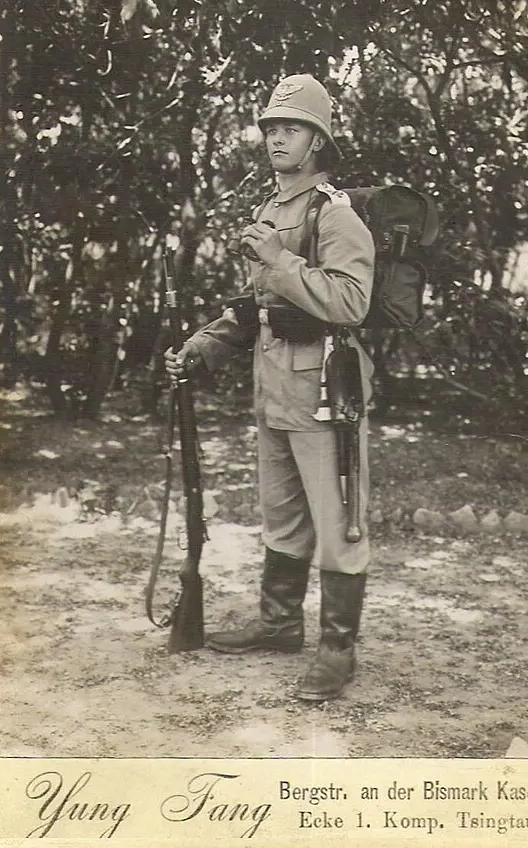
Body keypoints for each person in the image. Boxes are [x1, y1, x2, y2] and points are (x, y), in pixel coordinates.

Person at [165, 74, 375, 702]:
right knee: (281, 516)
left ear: (318, 141)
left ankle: (337, 650)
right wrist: (203, 345)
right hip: (275, 386)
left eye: (292, 128)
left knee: (338, 521)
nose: (278, 138)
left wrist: (280, 262)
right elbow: (256, 307)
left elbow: (351, 301)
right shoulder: (269, 211)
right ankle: (280, 624)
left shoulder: (332, 213)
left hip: (325, 390)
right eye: (272, 128)